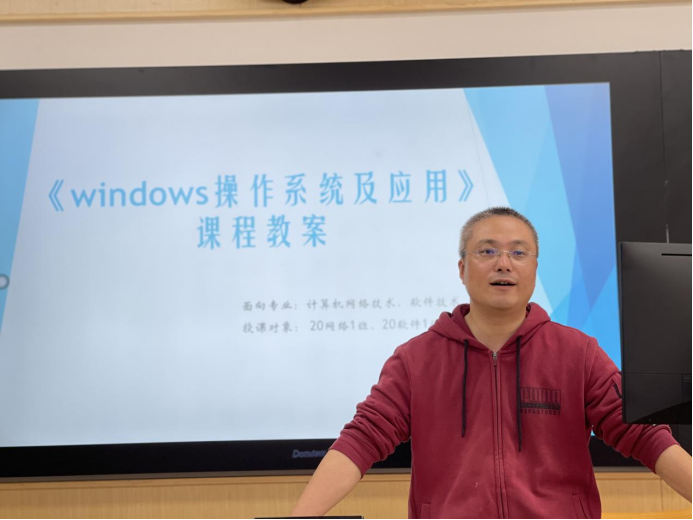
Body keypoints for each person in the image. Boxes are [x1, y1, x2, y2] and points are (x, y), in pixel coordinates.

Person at [291, 207, 692, 519]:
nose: (504, 263)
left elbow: (646, 436)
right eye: (487, 251)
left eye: (518, 252)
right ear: (462, 269)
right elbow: (361, 440)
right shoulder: (415, 359)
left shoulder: (578, 353)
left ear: (534, 268)